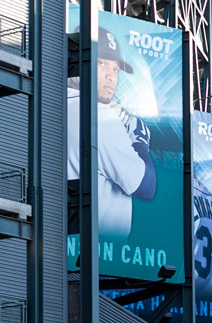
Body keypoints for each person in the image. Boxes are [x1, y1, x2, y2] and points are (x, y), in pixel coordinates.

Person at [66, 25, 156, 239]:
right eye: (101, 64)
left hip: (63, 250)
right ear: (77, 63)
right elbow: (145, 186)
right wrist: (139, 138)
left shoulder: (48, 101)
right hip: (96, 257)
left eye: (115, 69)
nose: (111, 77)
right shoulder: (97, 115)